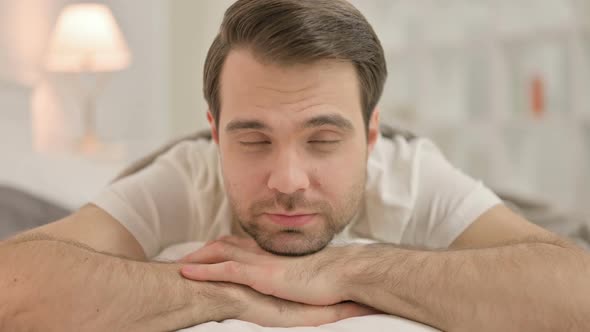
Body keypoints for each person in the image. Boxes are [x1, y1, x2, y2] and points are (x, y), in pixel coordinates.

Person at [2, 0, 589, 331]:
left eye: (323, 139)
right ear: (214, 134)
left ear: (371, 135)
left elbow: (576, 289)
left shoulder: (408, 173)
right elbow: (14, 283)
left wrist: (346, 271)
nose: (287, 181)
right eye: (253, 140)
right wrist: (230, 293)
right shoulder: (187, 172)